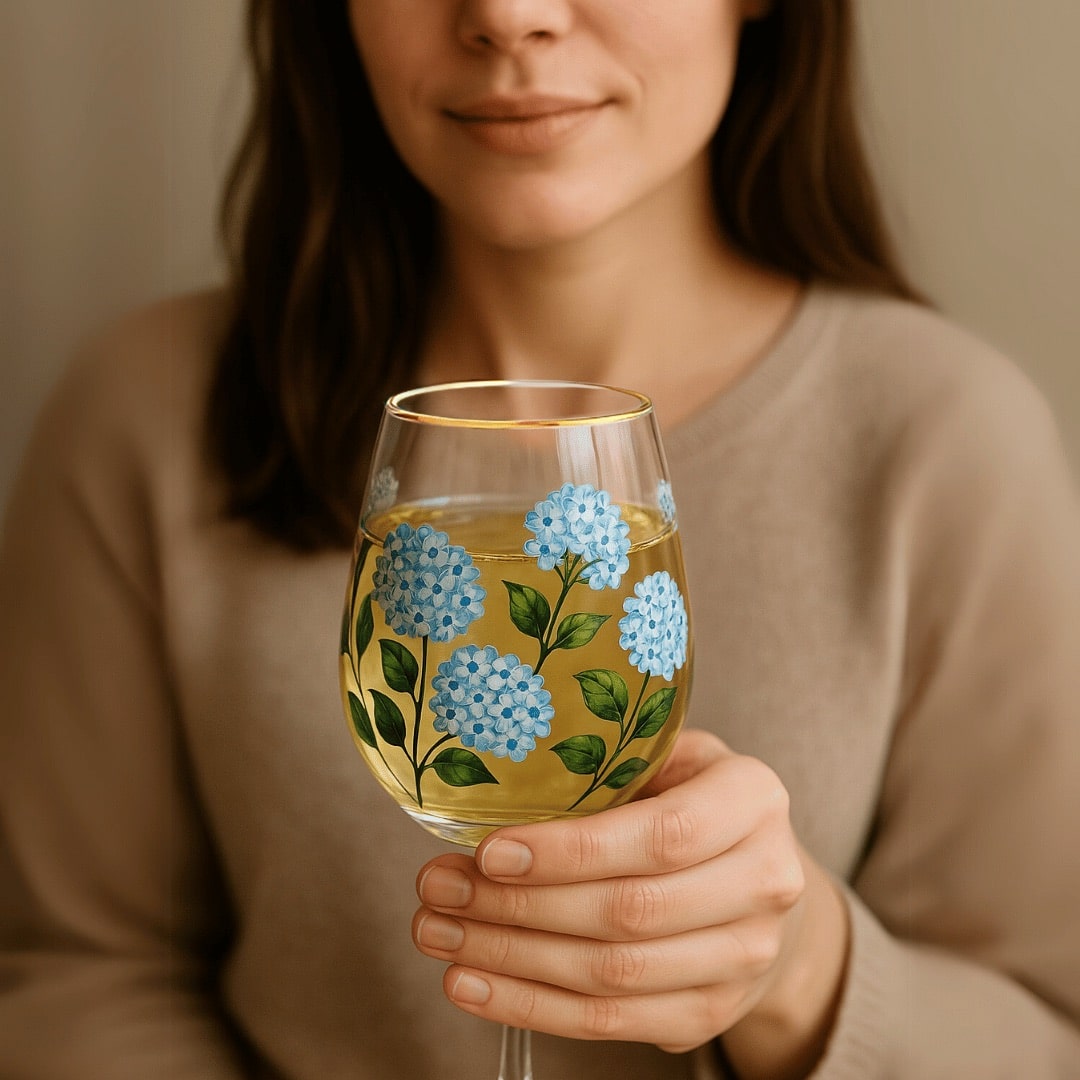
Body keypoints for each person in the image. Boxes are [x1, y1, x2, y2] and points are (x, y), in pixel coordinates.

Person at [1, 1, 1078, 1077]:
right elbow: (73, 978)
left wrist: (800, 971)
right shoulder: (144, 419)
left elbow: (1048, 1036)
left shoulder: (950, 442)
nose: (508, 16)